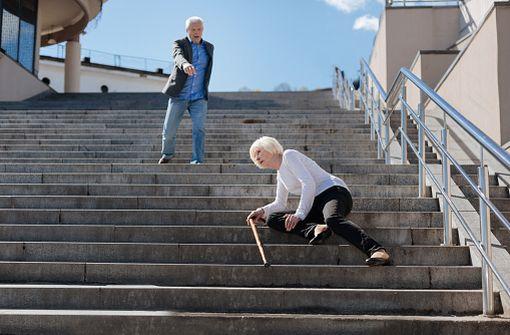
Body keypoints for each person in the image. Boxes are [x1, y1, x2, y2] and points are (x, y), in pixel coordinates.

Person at [246, 136, 391, 266]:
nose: (256, 157)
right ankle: (315, 229)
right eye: (253, 156)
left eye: (258, 152)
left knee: (332, 219)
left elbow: (308, 183)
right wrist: (262, 211)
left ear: (269, 146)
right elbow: (280, 203)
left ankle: (377, 250)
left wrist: (300, 214)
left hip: (333, 192)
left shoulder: (289, 156)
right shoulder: (280, 175)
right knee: (272, 218)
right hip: (315, 203)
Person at [159, 16, 214, 164]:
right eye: (193, 29)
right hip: (179, 96)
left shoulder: (209, 47)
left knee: (199, 130)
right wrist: (184, 65)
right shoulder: (179, 43)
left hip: (199, 97)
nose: (196, 32)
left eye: (199, 29)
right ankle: (168, 154)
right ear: (187, 30)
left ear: (203, 30)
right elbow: (177, 56)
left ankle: (197, 160)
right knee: (169, 130)